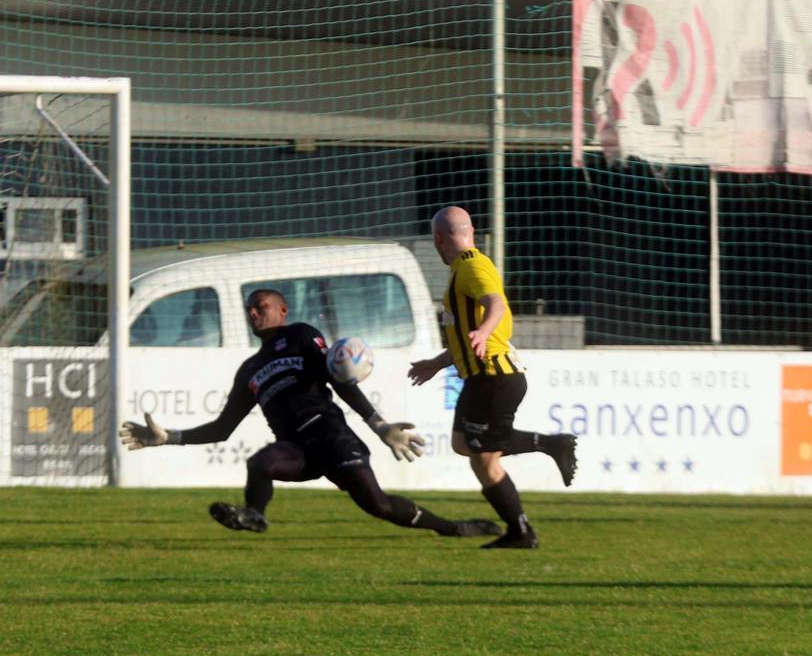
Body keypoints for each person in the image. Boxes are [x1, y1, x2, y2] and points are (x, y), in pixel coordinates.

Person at [118, 288, 501, 539]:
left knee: (378, 505)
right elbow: (222, 428)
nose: (254, 313)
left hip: (332, 436)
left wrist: (379, 425)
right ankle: (255, 515)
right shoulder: (249, 370)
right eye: (250, 308)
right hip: (295, 448)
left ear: (282, 310)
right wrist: (170, 437)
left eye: (262, 306)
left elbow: (340, 380)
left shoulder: (301, 335)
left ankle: (452, 528)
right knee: (261, 462)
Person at [407, 206, 578, 549]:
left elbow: (495, 302)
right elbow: (467, 334)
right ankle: (520, 529)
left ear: (438, 238)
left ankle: (550, 448)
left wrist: (484, 331)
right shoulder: (462, 269)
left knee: (480, 451)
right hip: (483, 376)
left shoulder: (472, 265)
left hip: (495, 377)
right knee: (472, 451)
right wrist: (438, 363)